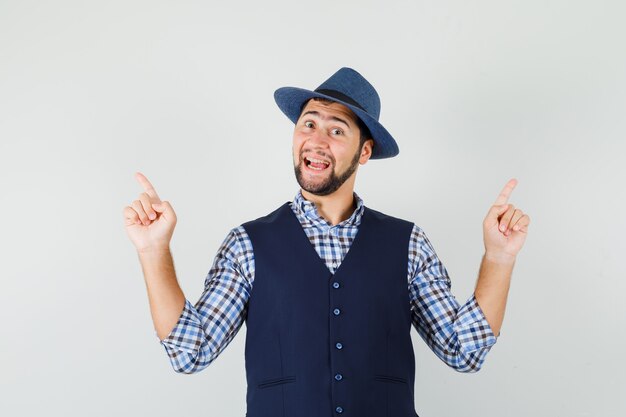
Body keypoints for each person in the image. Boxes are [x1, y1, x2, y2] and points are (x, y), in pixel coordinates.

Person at [123, 67, 530, 417]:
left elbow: (464, 350)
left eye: (337, 130)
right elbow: (190, 353)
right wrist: (153, 250)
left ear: (364, 151)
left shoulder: (408, 244)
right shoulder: (247, 244)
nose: (317, 141)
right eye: (309, 123)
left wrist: (498, 257)